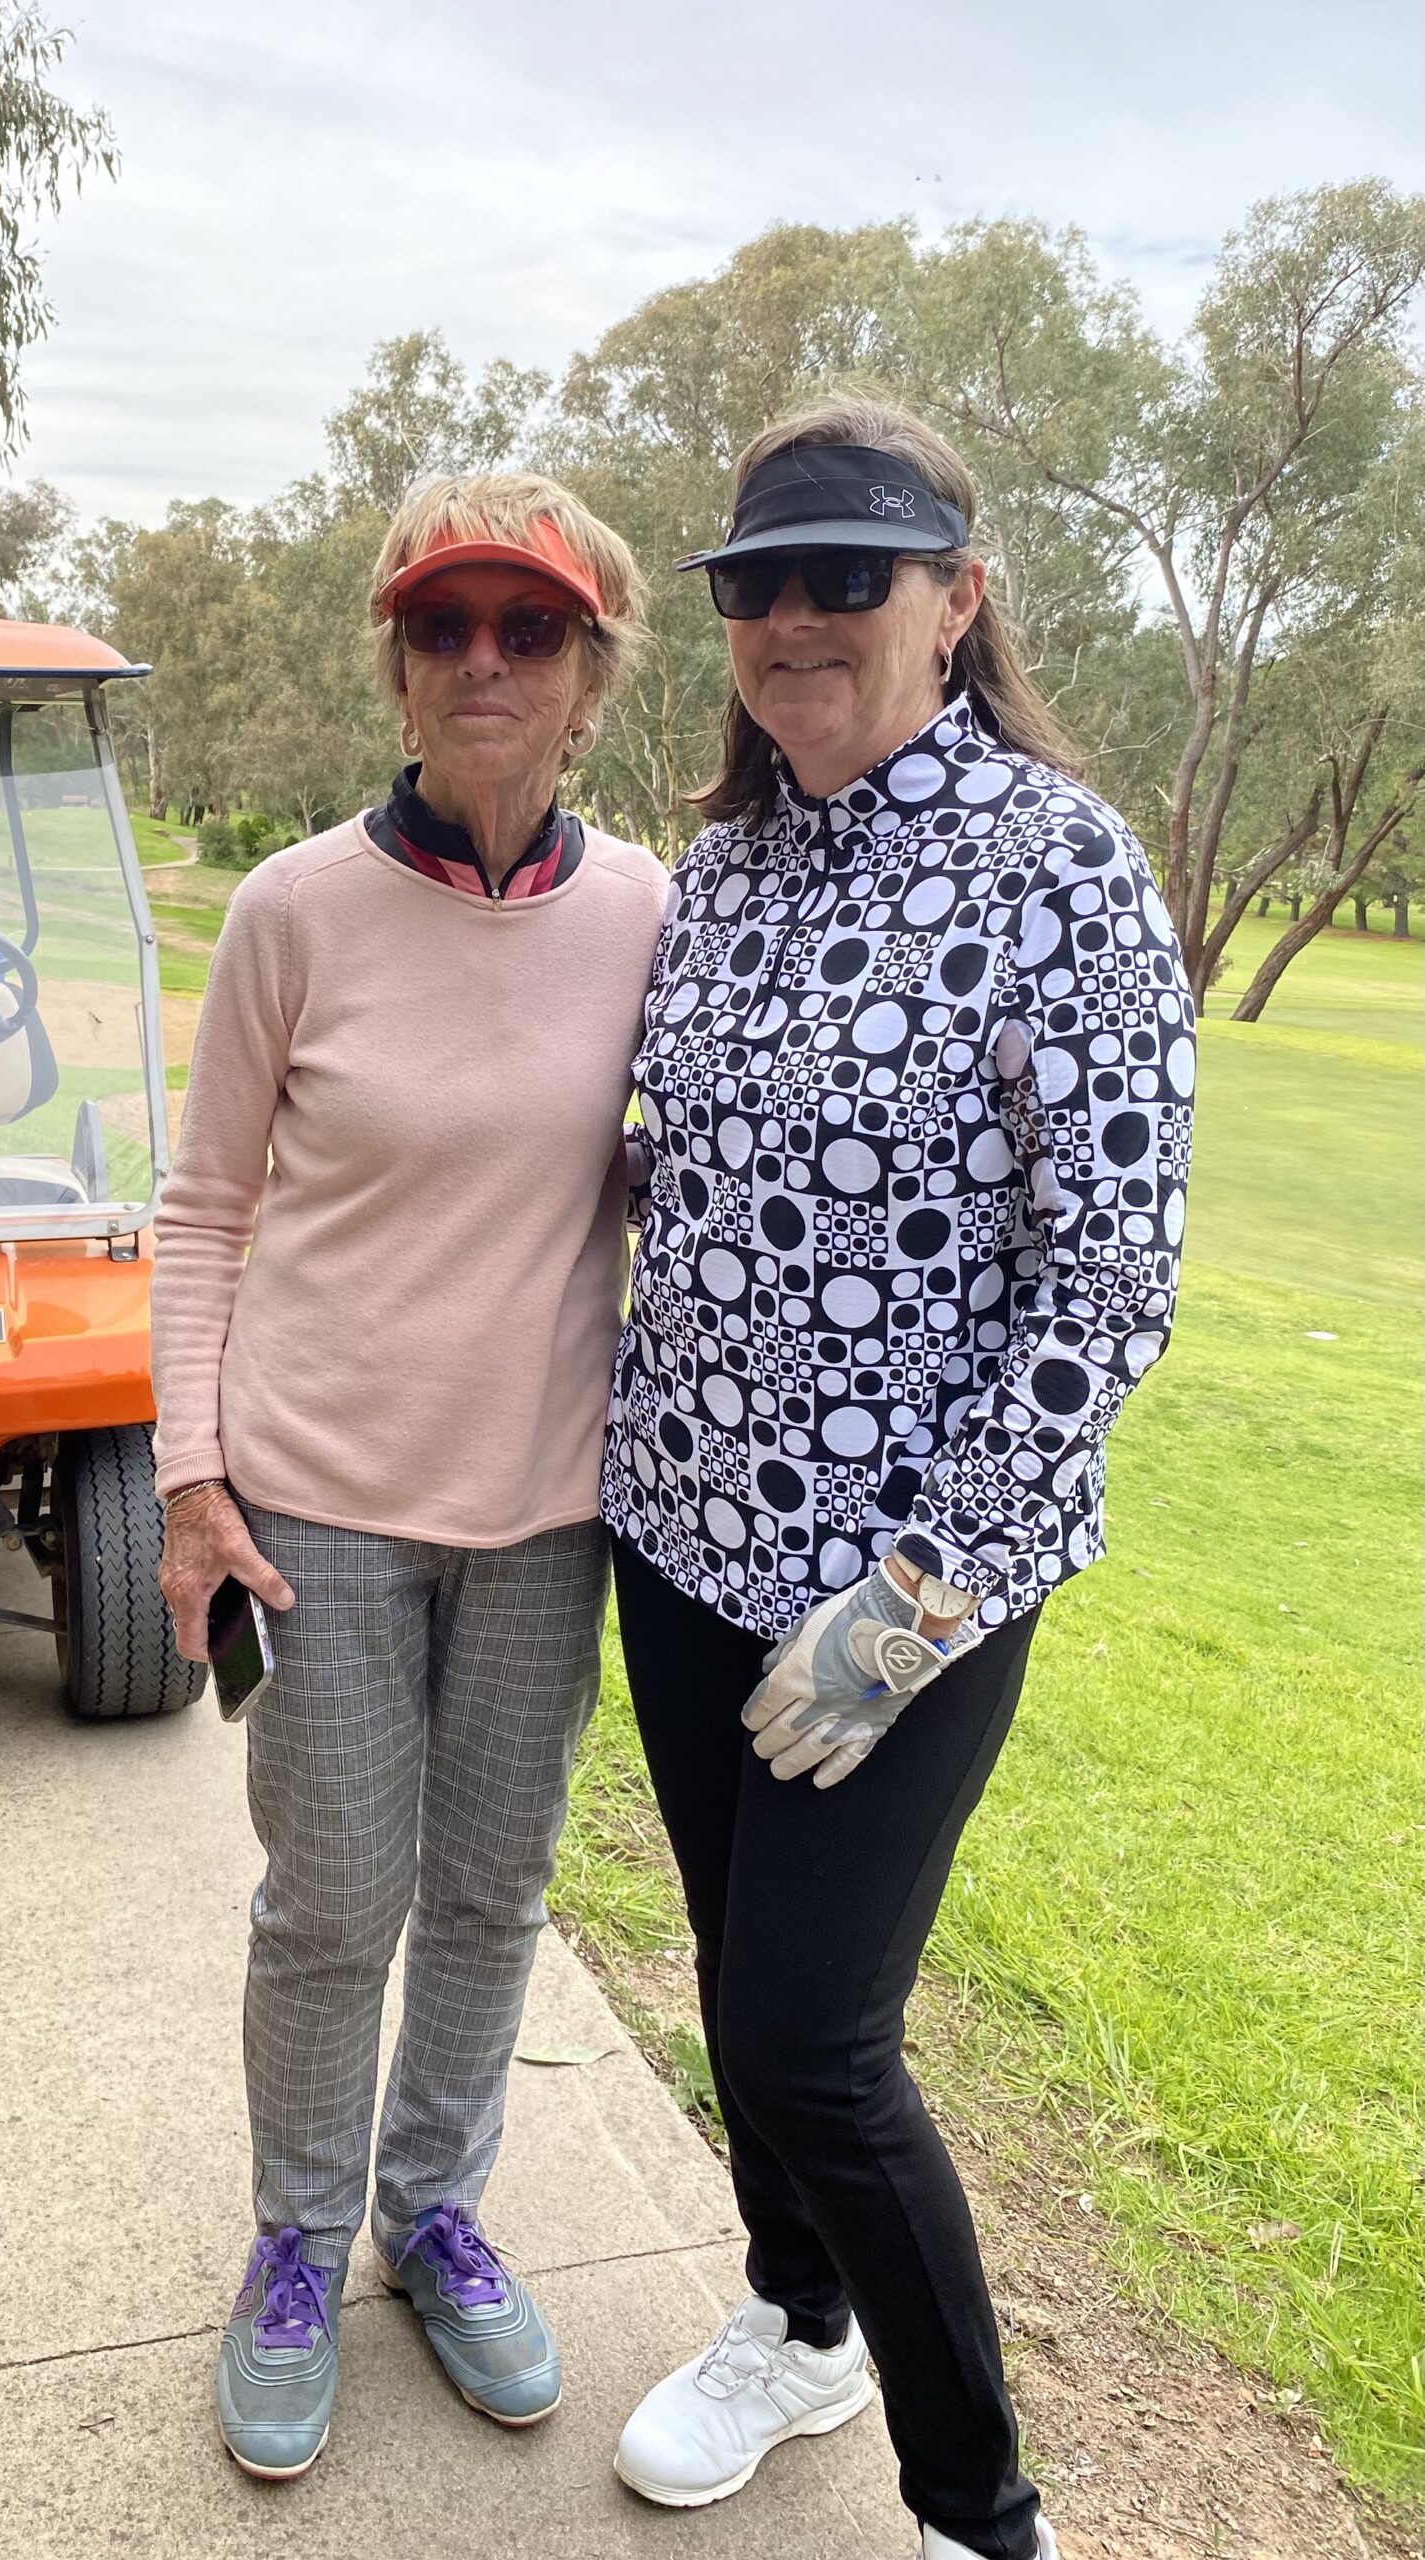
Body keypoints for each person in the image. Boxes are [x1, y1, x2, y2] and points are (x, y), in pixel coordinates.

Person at [603, 398, 1193, 2560]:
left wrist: (930, 1579)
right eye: (758, 582)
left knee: (812, 2036)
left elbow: (1109, 1278)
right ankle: (795, 2315)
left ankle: (979, 2506)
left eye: (849, 575)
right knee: (727, 1976)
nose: (793, 617)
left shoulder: (1065, 868)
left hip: (905, 1585)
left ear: (957, 600)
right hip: (678, 1538)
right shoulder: (720, 877)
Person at [151, 473, 666, 2482]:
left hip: (546, 1517)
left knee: (490, 1891)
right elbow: (202, 1210)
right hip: (318, 1519)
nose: (481, 661)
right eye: (444, 624)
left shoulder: (646, 914)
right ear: (396, 658)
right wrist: (194, 1478)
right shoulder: (293, 910)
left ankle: (432, 2211)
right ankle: (295, 2233)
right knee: (334, 1894)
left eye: (527, 631)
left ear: (589, 679)